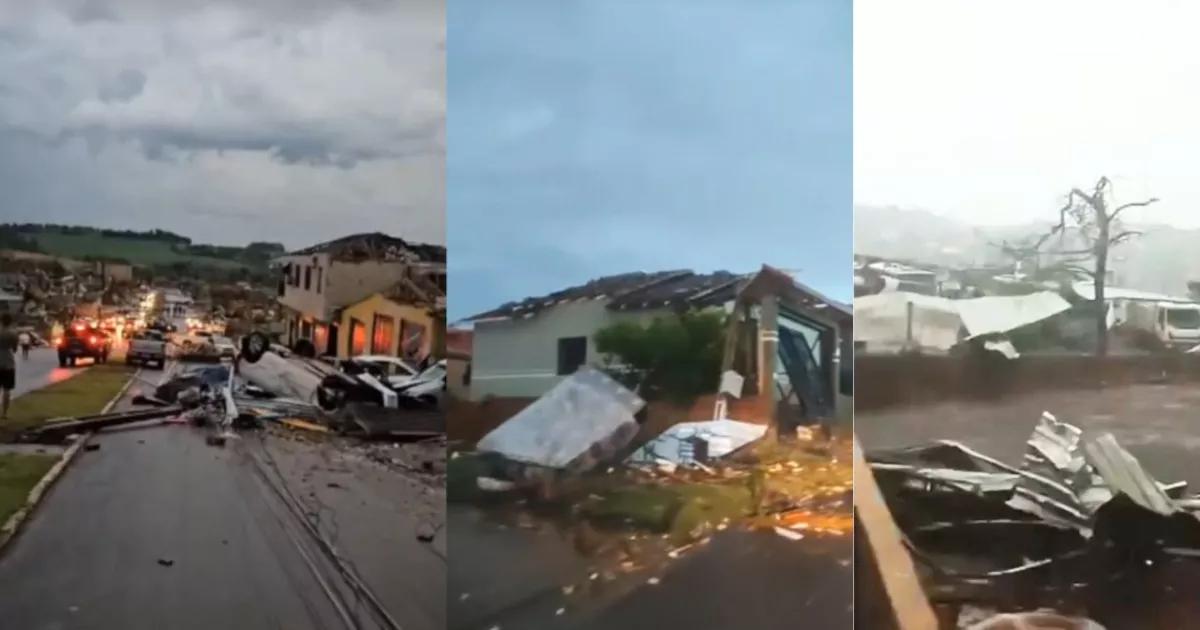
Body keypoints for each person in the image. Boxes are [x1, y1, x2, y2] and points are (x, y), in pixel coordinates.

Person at [0, 314, 17, 421]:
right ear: (10, 322)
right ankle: (4, 413)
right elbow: (14, 349)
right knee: (7, 389)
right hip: (8, 362)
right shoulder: (13, 334)